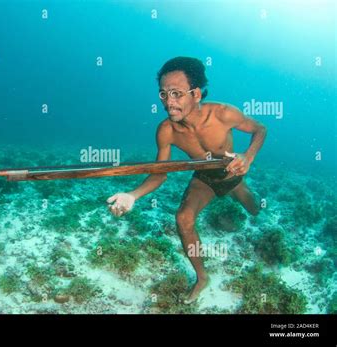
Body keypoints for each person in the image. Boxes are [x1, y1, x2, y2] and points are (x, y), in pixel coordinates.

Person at [107, 57, 267, 304]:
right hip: (203, 178)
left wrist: (248, 156)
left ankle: (253, 204)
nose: (168, 102)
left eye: (176, 93)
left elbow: (260, 129)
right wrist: (132, 195)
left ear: (196, 94)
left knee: (255, 210)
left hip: (233, 178)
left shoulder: (224, 114)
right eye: (163, 94)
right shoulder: (166, 130)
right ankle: (202, 278)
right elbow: (160, 172)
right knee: (182, 218)